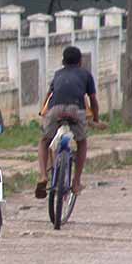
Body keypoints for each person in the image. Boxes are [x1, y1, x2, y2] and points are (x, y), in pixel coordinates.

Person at [36, 45, 103, 199]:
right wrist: (96, 119)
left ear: (63, 62)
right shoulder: (85, 75)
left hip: (55, 110)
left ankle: (42, 176)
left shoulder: (58, 74)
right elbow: (93, 100)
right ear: (80, 62)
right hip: (75, 110)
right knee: (82, 142)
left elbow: (49, 96)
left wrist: (43, 114)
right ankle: (76, 181)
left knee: (44, 141)